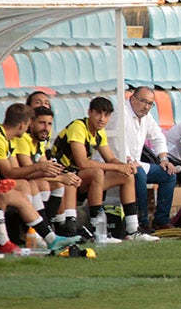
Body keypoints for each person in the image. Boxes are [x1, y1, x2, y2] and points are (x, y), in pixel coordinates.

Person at [0, 103, 81, 253]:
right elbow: (9, 172)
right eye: (29, 124)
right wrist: (40, 168)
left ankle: (46, 236)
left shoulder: (10, 139)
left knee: (27, 185)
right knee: (21, 188)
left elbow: (17, 171)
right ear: (22, 125)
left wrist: (53, 174)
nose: (29, 128)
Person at [52, 97, 158, 242]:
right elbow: (82, 163)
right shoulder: (78, 127)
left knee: (126, 175)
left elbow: (111, 159)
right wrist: (116, 166)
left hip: (77, 178)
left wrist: (124, 166)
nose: (102, 119)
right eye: (98, 114)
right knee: (97, 172)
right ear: (89, 112)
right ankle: (98, 231)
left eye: (106, 115)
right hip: (61, 177)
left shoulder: (99, 132)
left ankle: (132, 230)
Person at [107, 87, 178, 232]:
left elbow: (158, 136)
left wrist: (164, 159)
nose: (146, 107)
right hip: (116, 162)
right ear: (132, 98)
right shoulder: (121, 114)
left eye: (150, 104)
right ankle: (142, 221)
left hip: (136, 162)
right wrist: (127, 159)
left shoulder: (146, 116)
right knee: (138, 174)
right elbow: (116, 142)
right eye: (143, 101)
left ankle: (161, 220)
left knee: (169, 174)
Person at [13, 105, 83, 236]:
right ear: (31, 123)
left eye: (49, 124)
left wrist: (65, 176)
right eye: (42, 123)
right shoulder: (23, 139)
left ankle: (59, 227)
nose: (46, 128)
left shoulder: (40, 141)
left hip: (30, 181)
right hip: (21, 181)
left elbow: (47, 168)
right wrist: (61, 178)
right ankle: (38, 229)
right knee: (47, 184)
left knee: (61, 182)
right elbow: (29, 173)